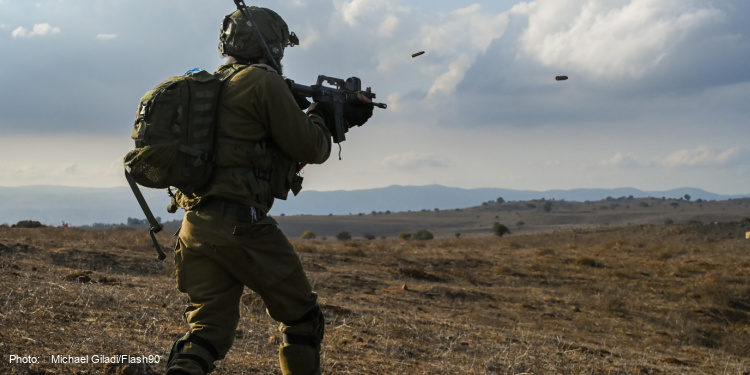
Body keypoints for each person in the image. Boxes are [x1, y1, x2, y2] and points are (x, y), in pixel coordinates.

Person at [165, 6, 374, 375]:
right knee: (303, 321)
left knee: (207, 334)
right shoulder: (263, 82)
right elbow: (311, 147)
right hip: (240, 225)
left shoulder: (212, 85)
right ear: (272, 45)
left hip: (195, 225)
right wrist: (324, 117)